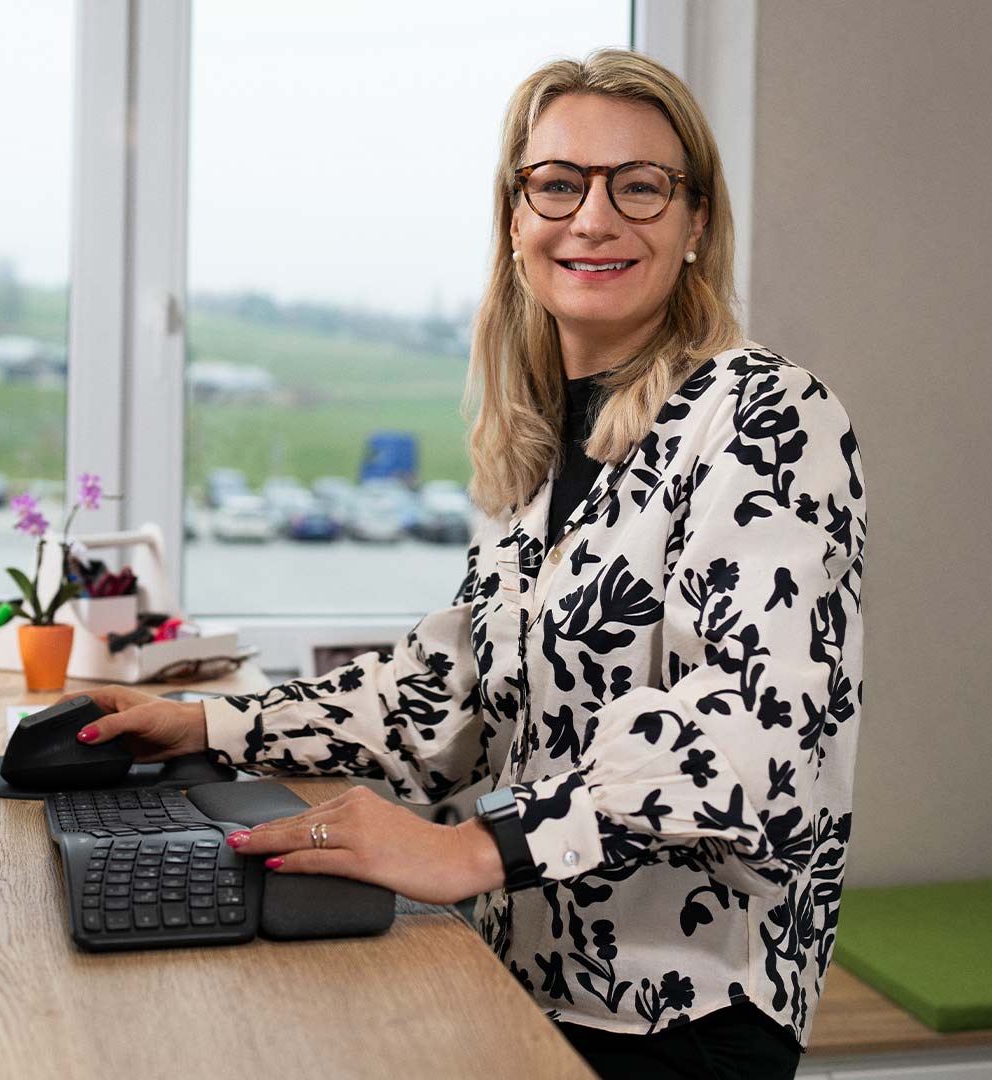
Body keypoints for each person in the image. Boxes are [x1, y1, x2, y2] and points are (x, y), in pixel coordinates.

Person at [68, 49, 865, 1079]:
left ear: (696, 222)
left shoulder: (764, 415)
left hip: (683, 1014)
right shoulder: (539, 453)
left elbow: (758, 729)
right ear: (516, 216)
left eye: (641, 185)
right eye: (558, 183)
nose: (594, 217)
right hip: (523, 974)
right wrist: (217, 722)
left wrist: (467, 850)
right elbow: (449, 694)